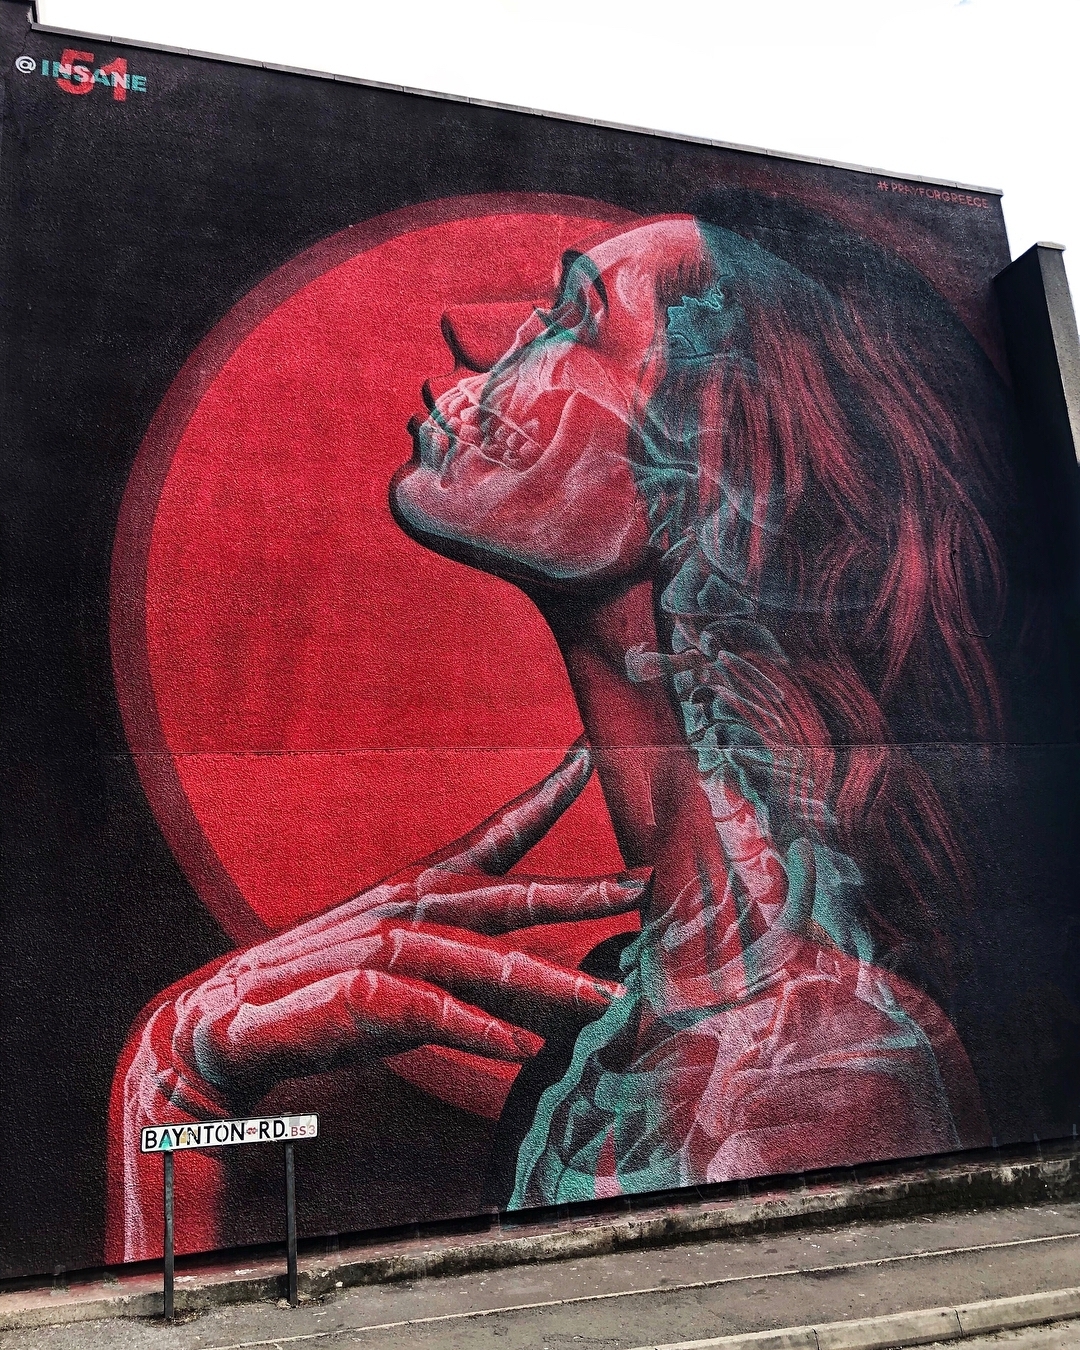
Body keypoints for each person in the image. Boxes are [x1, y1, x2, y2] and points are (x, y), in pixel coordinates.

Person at [110, 209, 1003, 1259]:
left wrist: (170, 1100)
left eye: (573, 319)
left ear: (713, 475)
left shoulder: (810, 1072)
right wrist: (172, 1082)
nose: (474, 340)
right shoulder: (648, 1014)